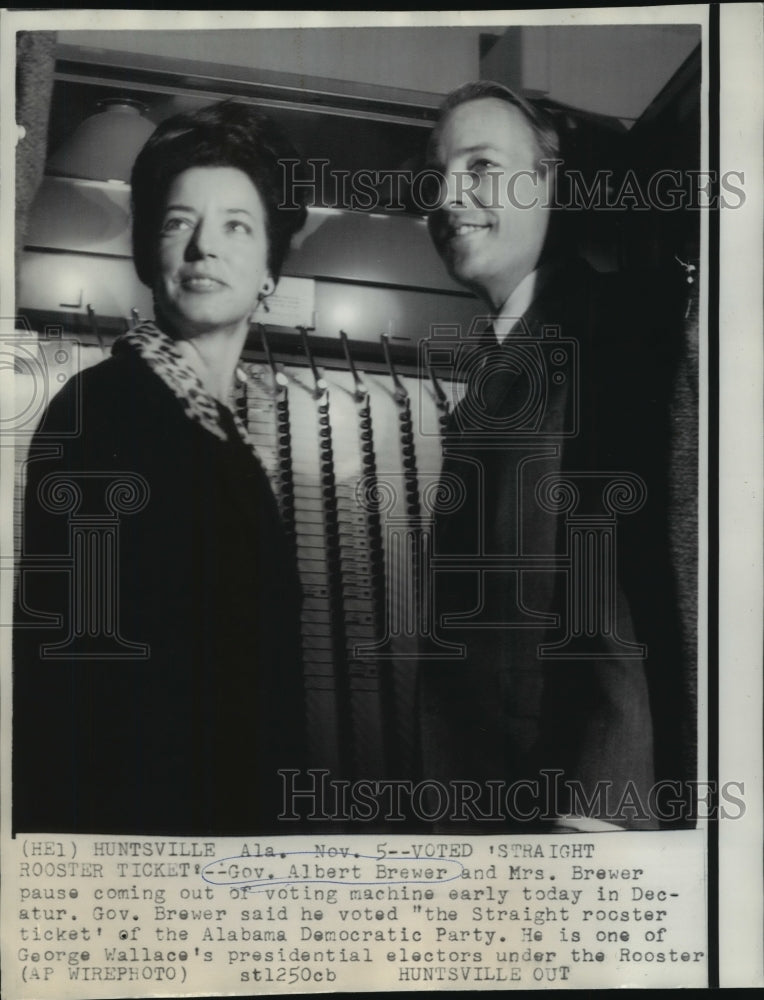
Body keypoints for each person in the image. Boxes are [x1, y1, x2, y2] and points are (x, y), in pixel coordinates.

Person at [13, 102, 308, 835]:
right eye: (179, 221)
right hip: (143, 850)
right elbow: (71, 679)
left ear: (270, 268)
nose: (204, 246)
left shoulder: (230, 435)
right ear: (150, 253)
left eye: (237, 224)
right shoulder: (104, 412)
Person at [418, 82, 694, 829]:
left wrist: (596, 810)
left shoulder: (604, 330)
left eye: (479, 168)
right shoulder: (503, 359)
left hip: (566, 829)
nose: (449, 196)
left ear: (551, 181)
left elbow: (623, 585)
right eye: (438, 175)